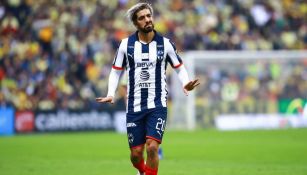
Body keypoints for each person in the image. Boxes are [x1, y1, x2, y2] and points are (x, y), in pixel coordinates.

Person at [96, 3, 199, 175]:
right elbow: (115, 72)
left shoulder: (165, 44)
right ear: (136, 23)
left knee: (152, 147)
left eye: (148, 16)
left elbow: (179, 67)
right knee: (136, 154)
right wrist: (110, 93)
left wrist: (185, 82)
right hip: (134, 106)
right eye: (142, 18)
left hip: (157, 105)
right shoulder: (125, 45)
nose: (147, 20)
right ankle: (142, 171)